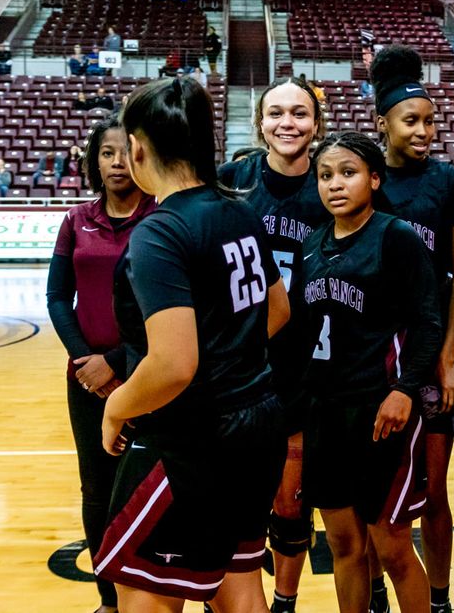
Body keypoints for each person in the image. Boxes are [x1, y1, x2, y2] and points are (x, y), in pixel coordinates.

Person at [94, 76, 290, 612]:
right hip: (259, 421)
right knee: (238, 584)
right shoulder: (239, 210)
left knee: (144, 591)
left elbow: (174, 365)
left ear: (137, 148)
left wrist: (115, 407)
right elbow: (278, 310)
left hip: (193, 435)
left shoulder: (159, 232)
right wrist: (228, 354)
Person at [301, 131, 442, 613]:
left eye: (348, 173)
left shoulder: (395, 236)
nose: (335, 184)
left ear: (375, 179)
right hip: (325, 411)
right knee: (344, 545)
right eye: (325, 175)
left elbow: (428, 322)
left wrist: (405, 390)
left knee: (392, 546)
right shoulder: (311, 244)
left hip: (380, 410)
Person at [370, 45, 454, 613]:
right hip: (372, 356)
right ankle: (374, 596)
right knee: (371, 491)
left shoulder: (450, 183)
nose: (424, 131)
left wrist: (448, 356)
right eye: (411, 121)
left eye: (430, 121)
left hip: (432, 351)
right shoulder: (363, 177)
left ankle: (439, 602)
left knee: (434, 490)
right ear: (382, 123)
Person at [217, 76, 331, 613]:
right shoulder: (232, 181)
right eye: (277, 113)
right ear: (260, 122)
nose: (288, 123)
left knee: (291, 503)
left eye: (300, 113)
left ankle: (284, 601)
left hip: (309, 364)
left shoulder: (332, 182)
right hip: (240, 363)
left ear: (317, 123)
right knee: (235, 500)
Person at [46, 115, 155, 613]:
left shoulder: (160, 217)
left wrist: (114, 361)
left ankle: (152, 592)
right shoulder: (76, 220)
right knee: (96, 489)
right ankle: (109, 600)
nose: (116, 162)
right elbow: (56, 297)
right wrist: (84, 361)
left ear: (141, 156)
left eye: (124, 152)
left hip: (148, 374)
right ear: (94, 161)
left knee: (148, 484)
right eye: (106, 153)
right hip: (87, 382)